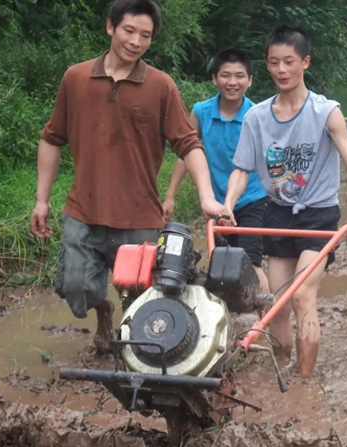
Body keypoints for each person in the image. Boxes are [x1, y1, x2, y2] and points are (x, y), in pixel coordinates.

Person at [29, 0, 227, 355]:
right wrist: (41, 200)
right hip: (83, 211)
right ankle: (102, 311)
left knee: (141, 302)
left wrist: (206, 196)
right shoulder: (76, 78)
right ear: (111, 27)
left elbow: (188, 143)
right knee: (76, 288)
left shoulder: (161, 86)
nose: (136, 41)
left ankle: (129, 350)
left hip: (139, 216)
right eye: (129, 31)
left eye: (146, 35)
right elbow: (51, 138)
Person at [224, 25, 347, 378]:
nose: (282, 70)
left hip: (318, 217)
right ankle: (283, 369)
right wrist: (228, 205)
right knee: (275, 304)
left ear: (305, 62)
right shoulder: (256, 117)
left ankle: (304, 384)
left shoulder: (326, 112)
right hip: (277, 214)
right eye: (274, 63)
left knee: (304, 295)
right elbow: (242, 170)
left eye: (289, 62)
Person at [162, 48, 270, 295]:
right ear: (214, 78)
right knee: (222, 268)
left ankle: (265, 323)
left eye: (240, 76)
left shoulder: (258, 114)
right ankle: (229, 324)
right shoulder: (201, 112)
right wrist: (170, 195)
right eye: (225, 75)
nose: (232, 82)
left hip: (254, 199)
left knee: (252, 263)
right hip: (217, 204)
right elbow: (186, 153)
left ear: (250, 80)